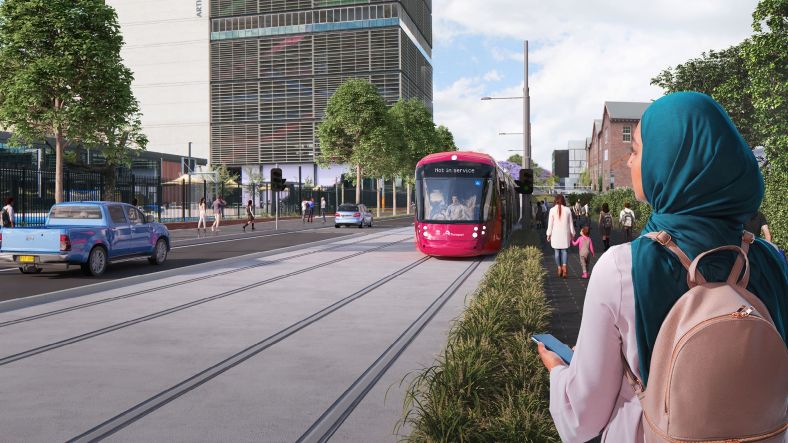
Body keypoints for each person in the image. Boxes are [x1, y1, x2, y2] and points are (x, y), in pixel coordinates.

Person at [538, 92, 787, 442]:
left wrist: (559, 371)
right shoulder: (773, 260)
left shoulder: (623, 268)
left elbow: (582, 418)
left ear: (670, 162)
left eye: (637, 150)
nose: (629, 162)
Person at [546, 194, 575, 278]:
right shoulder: (568, 210)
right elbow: (571, 223)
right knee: (564, 251)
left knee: (556, 252)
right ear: (563, 200)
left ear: (555, 200)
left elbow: (550, 224)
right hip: (565, 234)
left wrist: (548, 234)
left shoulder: (552, 210)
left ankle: (559, 268)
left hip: (555, 234)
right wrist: (572, 233)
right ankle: (565, 267)